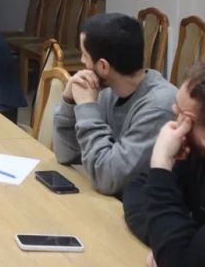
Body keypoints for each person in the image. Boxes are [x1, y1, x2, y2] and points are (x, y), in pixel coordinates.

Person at [53, 12, 176, 196]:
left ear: (103, 66)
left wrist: (87, 107)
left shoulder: (159, 107)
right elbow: (66, 154)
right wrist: (69, 102)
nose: (82, 61)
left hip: (136, 206)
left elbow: (108, 179)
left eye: (85, 55)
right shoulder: (106, 90)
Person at [122, 60, 205, 267]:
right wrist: (169, 244)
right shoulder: (197, 154)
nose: (172, 114)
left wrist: (161, 163)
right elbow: (136, 190)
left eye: (181, 115)